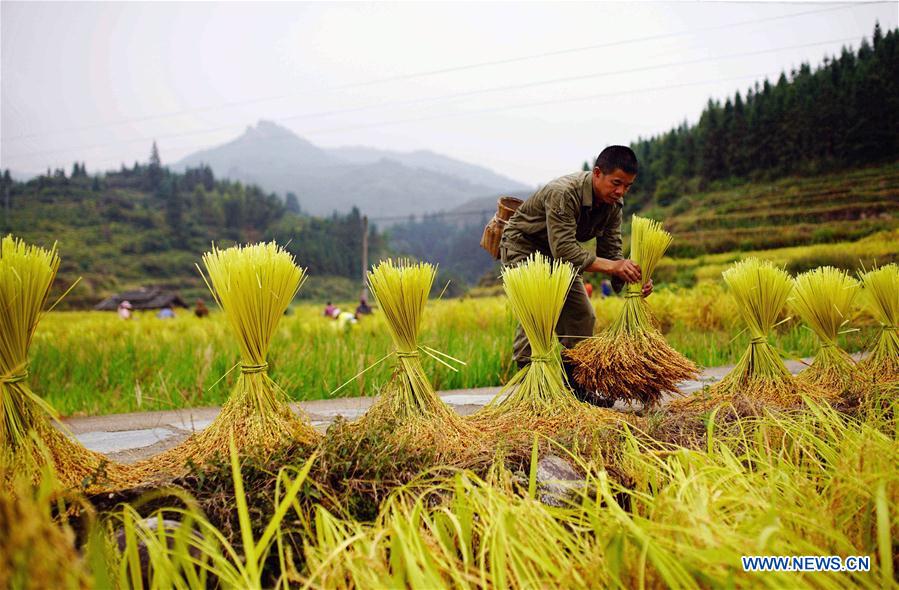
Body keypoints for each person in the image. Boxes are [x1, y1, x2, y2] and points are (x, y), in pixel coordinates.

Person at [499, 145, 653, 406]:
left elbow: (612, 251)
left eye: (627, 186)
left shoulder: (613, 205)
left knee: (583, 315)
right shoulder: (564, 193)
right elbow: (564, 250)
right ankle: (530, 385)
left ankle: (578, 389)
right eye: (616, 183)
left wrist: (630, 278)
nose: (620, 191)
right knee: (537, 313)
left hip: (559, 253)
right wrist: (614, 266)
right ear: (597, 174)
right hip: (524, 247)